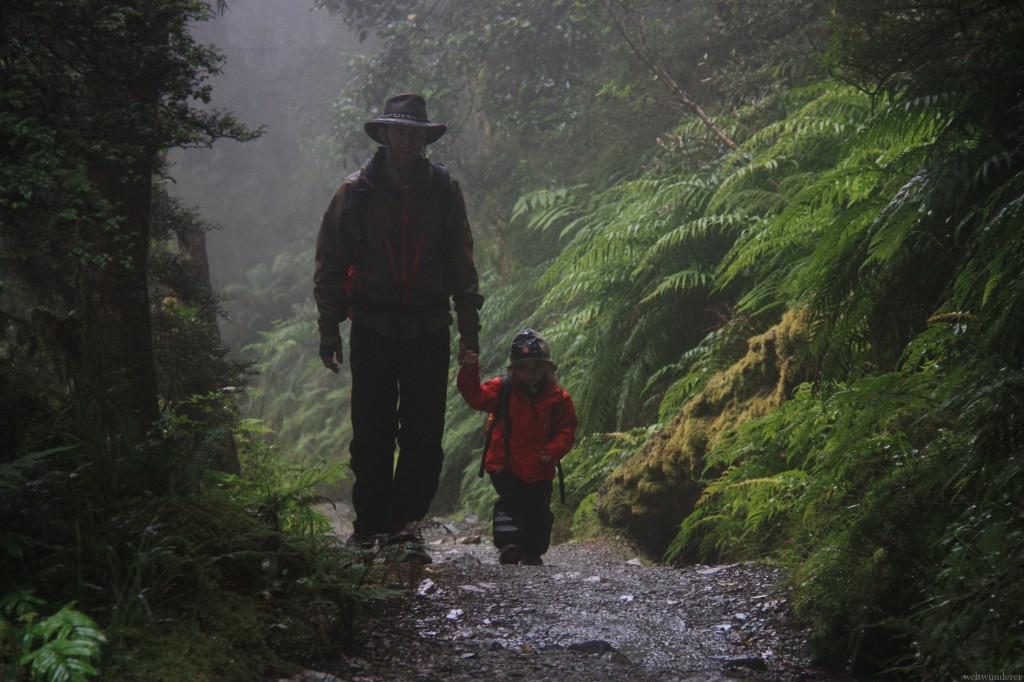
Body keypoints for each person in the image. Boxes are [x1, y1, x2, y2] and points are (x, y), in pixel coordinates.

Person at [314, 93, 483, 547]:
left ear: (425, 139)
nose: (407, 139)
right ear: (384, 134)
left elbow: (462, 265)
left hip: (429, 329)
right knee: (371, 435)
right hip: (372, 328)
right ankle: (370, 528)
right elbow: (331, 264)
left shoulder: (444, 191)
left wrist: (471, 336)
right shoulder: (356, 192)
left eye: (415, 132)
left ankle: (403, 528)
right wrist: (329, 331)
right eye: (400, 130)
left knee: (424, 439)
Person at [458, 329, 578, 565]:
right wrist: (469, 371)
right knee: (510, 501)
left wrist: (552, 451)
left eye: (535, 368)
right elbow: (476, 396)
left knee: (537, 508)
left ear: (546, 369)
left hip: (540, 467)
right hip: (505, 464)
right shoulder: (502, 390)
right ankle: (510, 546)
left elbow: (567, 430)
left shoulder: (559, 399)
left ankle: (532, 550)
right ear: (514, 369)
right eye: (524, 368)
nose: (530, 374)